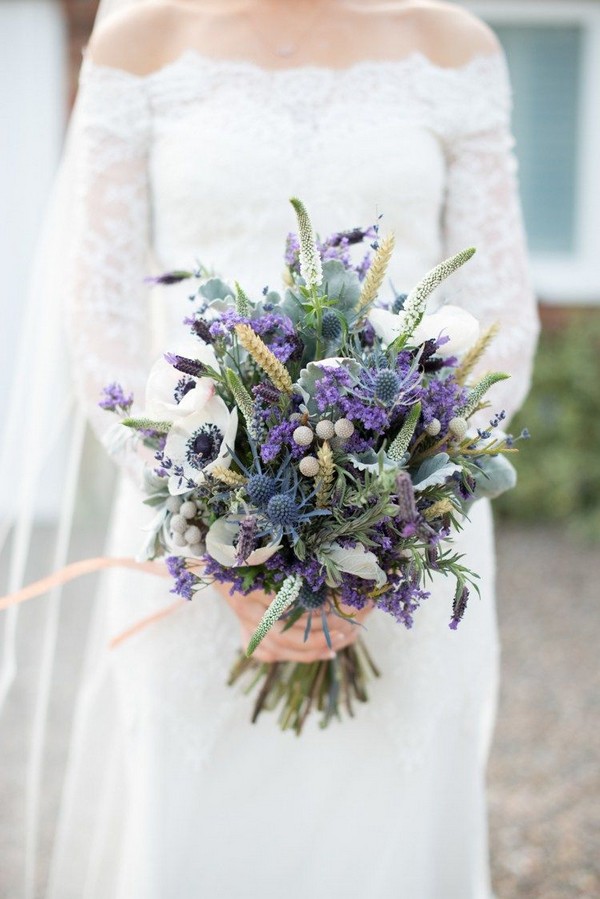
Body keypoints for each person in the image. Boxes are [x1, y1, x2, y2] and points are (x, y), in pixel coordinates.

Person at [11, 1, 540, 896]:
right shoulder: (141, 42)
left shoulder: (453, 48)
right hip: (194, 530)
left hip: (408, 535)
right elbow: (97, 325)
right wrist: (212, 524)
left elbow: (504, 325)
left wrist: (382, 529)